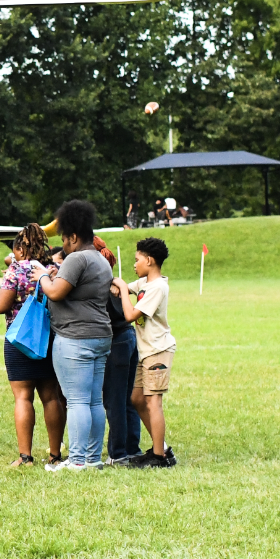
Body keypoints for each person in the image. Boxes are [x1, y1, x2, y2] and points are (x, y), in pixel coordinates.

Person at [39, 200, 115, 471]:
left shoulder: (76, 258)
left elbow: (56, 292)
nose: (64, 244)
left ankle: (78, 460)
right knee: (94, 400)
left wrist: (42, 277)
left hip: (75, 339)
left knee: (77, 401)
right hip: (100, 336)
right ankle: (93, 458)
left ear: (72, 237)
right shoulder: (99, 259)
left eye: (64, 239)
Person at [0, 223, 63, 467]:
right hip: (49, 338)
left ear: (20, 249)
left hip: (19, 339)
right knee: (51, 397)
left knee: (22, 398)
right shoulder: (55, 269)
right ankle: (54, 454)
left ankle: (26, 457)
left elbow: (1, 306)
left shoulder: (16, 270)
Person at [120, 236, 177, 467]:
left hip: (158, 351)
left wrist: (123, 290)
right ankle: (161, 448)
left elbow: (131, 315)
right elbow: (122, 287)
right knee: (137, 398)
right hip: (146, 352)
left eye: (137, 260)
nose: (134, 264)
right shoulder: (145, 283)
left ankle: (159, 457)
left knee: (154, 402)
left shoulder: (157, 287)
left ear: (150, 260)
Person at [94, 235, 140, 461]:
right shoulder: (113, 282)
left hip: (116, 342)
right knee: (127, 399)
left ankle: (119, 453)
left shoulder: (98, 285)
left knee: (114, 401)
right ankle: (132, 448)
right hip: (130, 338)